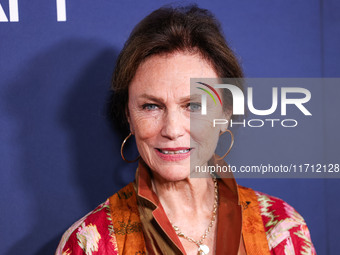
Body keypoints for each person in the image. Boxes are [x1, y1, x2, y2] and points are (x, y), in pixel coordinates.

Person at [56, 5, 315, 255]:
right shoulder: (89, 243)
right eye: (150, 106)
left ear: (225, 113)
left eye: (193, 105)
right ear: (129, 116)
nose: (172, 129)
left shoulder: (282, 229)